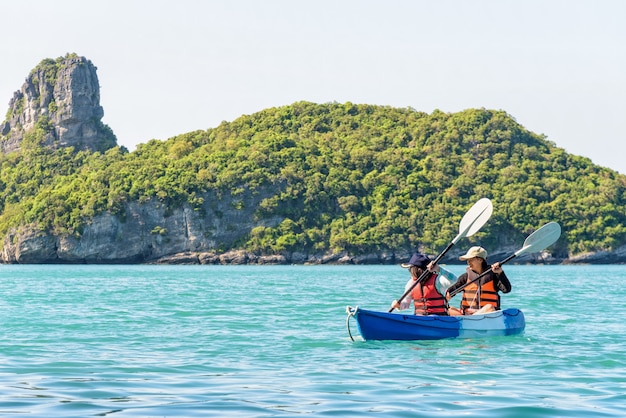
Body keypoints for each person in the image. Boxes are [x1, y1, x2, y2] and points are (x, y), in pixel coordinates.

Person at [445, 246, 511, 315]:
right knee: (449, 309)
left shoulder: (494, 276)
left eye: (471, 260)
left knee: (489, 307)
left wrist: (500, 273)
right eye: (468, 260)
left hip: (486, 314)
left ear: (480, 260)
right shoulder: (465, 277)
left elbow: (506, 289)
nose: (468, 262)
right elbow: (451, 291)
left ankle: (473, 319)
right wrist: (447, 295)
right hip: (467, 314)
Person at [390, 252, 457, 316]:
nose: (409, 271)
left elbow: (454, 280)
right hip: (419, 317)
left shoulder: (437, 280)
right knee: (418, 316)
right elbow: (406, 303)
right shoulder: (411, 283)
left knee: (431, 317)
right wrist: (399, 305)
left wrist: (439, 269)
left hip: (438, 317)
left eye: (410, 269)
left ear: (416, 270)